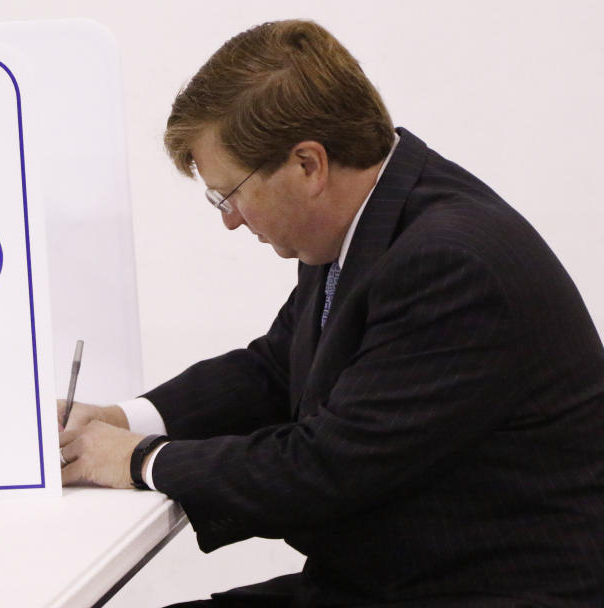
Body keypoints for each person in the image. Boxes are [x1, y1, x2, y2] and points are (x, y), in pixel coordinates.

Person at [58, 19, 604, 607]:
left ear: (308, 165)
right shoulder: (369, 222)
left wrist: (140, 462)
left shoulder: (448, 263)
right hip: (392, 580)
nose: (231, 219)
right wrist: (119, 418)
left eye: (230, 193)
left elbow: (323, 469)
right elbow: (273, 370)